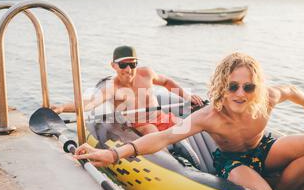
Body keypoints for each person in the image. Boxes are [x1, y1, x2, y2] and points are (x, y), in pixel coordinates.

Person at [74, 52, 304, 190]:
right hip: (232, 161)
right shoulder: (209, 116)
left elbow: (292, 91)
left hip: (263, 148)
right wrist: (114, 153)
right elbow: (163, 138)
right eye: (232, 86)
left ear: (257, 87)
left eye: (248, 87)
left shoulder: (267, 98)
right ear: (222, 86)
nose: (240, 93)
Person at [51, 45, 203, 135]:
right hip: (140, 124)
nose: (129, 69)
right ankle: (174, 162)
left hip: (162, 117)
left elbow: (166, 82)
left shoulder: (146, 73)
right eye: (123, 65)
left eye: (133, 64)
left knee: (188, 130)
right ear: (113, 66)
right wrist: (63, 107)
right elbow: (89, 103)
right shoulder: (111, 87)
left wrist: (187, 96)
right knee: (152, 132)